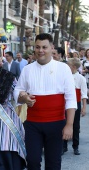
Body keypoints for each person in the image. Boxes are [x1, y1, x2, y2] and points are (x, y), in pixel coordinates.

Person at [14, 33, 76, 170]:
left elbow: (71, 99)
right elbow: (17, 91)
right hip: (32, 124)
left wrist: (69, 125)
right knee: (32, 161)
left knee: (53, 163)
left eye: (44, 47)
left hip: (56, 124)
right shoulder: (27, 69)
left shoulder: (63, 68)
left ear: (52, 48)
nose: (40, 50)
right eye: (37, 47)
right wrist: (23, 97)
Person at [63, 58, 87, 155]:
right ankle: (63, 146)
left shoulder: (81, 78)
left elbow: (84, 94)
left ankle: (75, 146)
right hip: (65, 103)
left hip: (76, 103)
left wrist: (84, 107)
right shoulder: (64, 77)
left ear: (74, 67)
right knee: (64, 123)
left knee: (75, 125)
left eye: (68, 65)